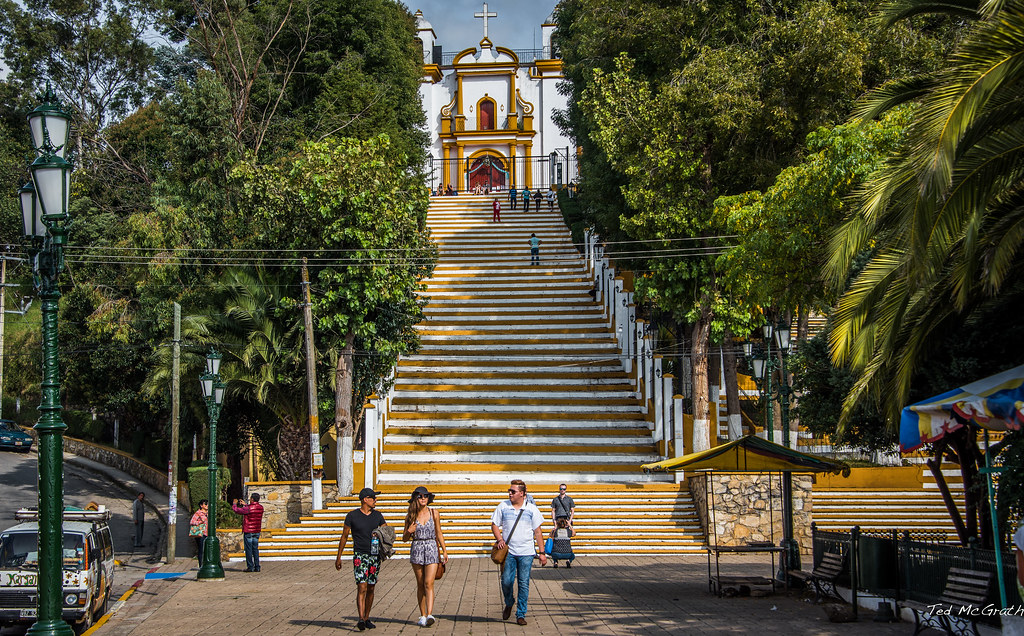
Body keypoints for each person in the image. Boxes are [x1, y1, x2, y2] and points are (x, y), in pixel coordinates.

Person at [491, 479, 546, 626]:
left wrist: (542, 552)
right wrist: (499, 538)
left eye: (513, 491)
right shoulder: (503, 506)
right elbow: (494, 524)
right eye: (509, 491)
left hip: (526, 552)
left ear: (522, 494)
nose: (510, 493)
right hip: (509, 552)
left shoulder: (532, 509)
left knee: (523, 583)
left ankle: (521, 614)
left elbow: (538, 532)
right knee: (506, 581)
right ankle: (509, 602)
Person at [336, 488, 387, 631]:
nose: (375, 500)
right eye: (373, 498)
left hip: (374, 556)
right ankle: (360, 618)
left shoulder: (378, 516)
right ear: (365, 499)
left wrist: (382, 537)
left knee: (371, 587)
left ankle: (366, 617)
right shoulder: (352, 516)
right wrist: (338, 557)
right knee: (362, 586)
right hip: (360, 555)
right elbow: (344, 536)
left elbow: (386, 532)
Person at [403, 486, 448, 627]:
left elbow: (439, 532)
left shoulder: (434, 513)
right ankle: (422, 614)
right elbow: (404, 538)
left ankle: (429, 614)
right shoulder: (411, 515)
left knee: (429, 582)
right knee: (421, 583)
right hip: (417, 548)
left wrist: (444, 550)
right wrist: (409, 531)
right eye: (420, 496)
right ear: (415, 498)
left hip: (431, 548)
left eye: (425, 496)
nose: (423, 499)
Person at [233, 493, 265, 572]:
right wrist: (245, 505)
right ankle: (257, 566)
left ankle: (250, 566)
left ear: (252, 499)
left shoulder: (248, 508)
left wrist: (234, 504)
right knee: (255, 549)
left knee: (248, 549)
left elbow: (237, 510)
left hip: (248, 530)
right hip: (256, 530)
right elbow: (251, 509)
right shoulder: (261, 507)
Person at [189, 500, 209, 567]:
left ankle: (206, 564)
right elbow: (192, 522)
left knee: (207, 550)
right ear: (201, 505)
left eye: (207, 504)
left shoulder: (209, 513)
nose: (207, 506)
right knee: (201, 549)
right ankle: (201, 565)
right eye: (205, 504)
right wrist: (200, 522)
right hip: (201, 534)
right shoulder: (198, 513)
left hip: (207, 533)